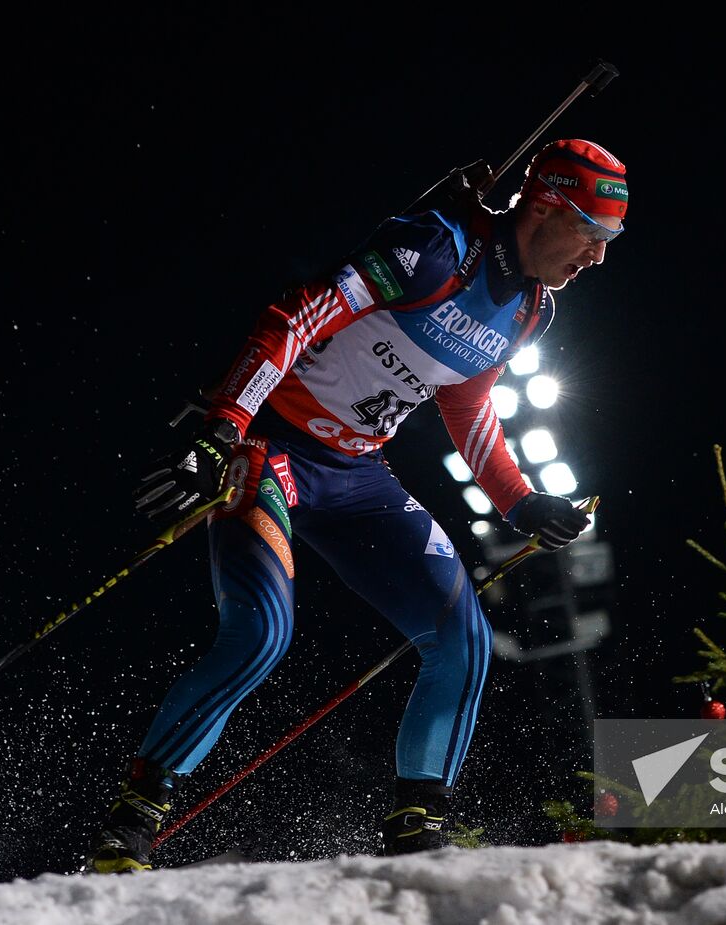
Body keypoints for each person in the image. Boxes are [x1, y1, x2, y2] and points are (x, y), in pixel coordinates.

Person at [83, 138, 629, 872]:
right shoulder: (436, 250)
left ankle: (417, 829)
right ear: (546, 206)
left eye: (609, 241)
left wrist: (521, 500)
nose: (596, 257)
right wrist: (222, 429)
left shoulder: (531, 310)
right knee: (261, 633)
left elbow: (467, 403)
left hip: (355, 476)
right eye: (592, 234)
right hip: (273, 454)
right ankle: (132, 821)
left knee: (463, 635)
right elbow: (297, 316)